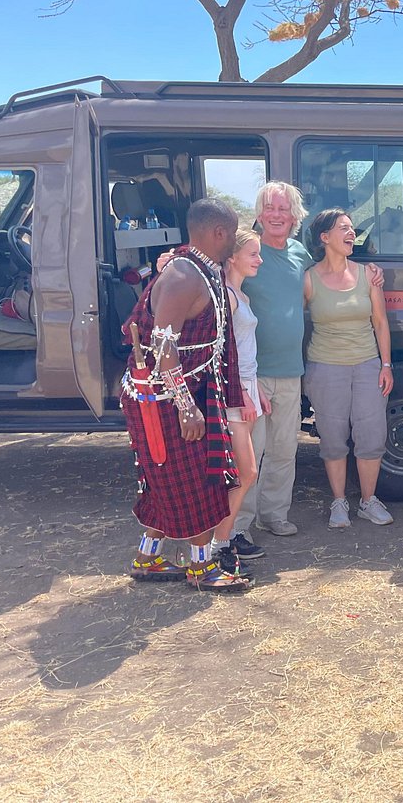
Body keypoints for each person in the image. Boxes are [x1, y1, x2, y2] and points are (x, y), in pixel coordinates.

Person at [238, 182, 383, 539]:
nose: (276, 215)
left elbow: (331, 272)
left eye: (283, 209)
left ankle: (273, 515)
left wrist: (372, 269)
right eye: (270, 208)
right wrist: (171, 257)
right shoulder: (245, 250)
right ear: (259, 214)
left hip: (290, 370)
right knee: (249, 454)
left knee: (284, 450)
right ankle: (239, 527)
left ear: (294, 217)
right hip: (251, 372)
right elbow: (209, 258)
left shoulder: (300, 255)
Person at [121, 197, 249, 592]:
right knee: (196, 481)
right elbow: (162, 346)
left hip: (187, 389)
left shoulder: (201, 269)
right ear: (219, 233)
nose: (234, 241)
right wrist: (186, 407)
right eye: (232, 233)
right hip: (164, 399)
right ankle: (201, 567)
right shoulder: (184, 276)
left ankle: (148, 557)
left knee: (166, 479)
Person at [302, 209, 395, 529]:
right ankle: (338, 503)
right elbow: (291, 321)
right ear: (325, 237)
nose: (351, 233)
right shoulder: (309, 278)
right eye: (343, 228)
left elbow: (380, 323)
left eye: (352, 228)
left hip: (368, 365)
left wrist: (386, 365)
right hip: (326, 368)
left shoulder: (369, 274)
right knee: (333, 438)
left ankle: (368, 502)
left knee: (372, 436)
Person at [210, 228, 268, 574]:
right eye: (253, 254)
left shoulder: (240, 295)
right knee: (245, 471)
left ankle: (225, 540)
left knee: (242, 472)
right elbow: (224, 352)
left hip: (246, 386)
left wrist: (256, 387)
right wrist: (243, 392)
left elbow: (246, 352)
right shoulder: (228, 297)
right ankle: (219, 545)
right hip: (233, 393)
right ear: (232, 256)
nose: (259, 260)